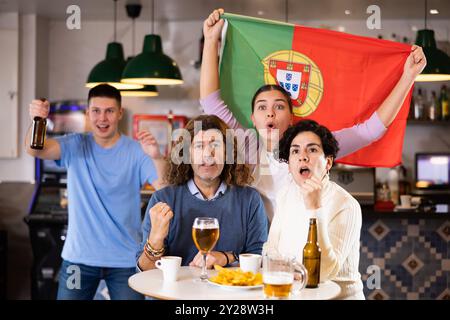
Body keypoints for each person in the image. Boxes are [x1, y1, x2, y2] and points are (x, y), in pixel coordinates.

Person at [200, 9, 427, 221]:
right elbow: (211, 102)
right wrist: (210, 42)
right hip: (258, 250)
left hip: (306, 246)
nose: (270, 112)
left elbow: (371, 130)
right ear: (253, 118)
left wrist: (408, 77)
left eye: (279, 106)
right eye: (262, 107)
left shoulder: (311, 147)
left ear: (291, 117)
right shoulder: (248, 145)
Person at [26, 84, 167, 300]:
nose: (103, 118)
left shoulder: (137, 151)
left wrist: (156, 156)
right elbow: (34, 149)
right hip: (79, 261)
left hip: (126, 262)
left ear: (120, 113)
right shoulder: (74, 145)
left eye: (109, 111)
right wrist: (38, 120)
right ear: (87, 113)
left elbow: (165, 188)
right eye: (96, 111)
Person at [137, 115, 268, 271]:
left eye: (216, 145)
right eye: (199, 146)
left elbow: (260, 258)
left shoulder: (250, 200)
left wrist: (226, 257)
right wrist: (155, 240)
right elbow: (144, 270)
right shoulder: (162, 199)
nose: (208, 154)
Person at [264, 120, 364, 299]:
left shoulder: (347, 205)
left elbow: (324, 272)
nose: (302, 156)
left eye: (312, 149)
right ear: (289, 165)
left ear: (328, 163)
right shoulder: (286, 195)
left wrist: (315, 208)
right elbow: (272, 251)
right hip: (296, 295)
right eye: (295, 151)